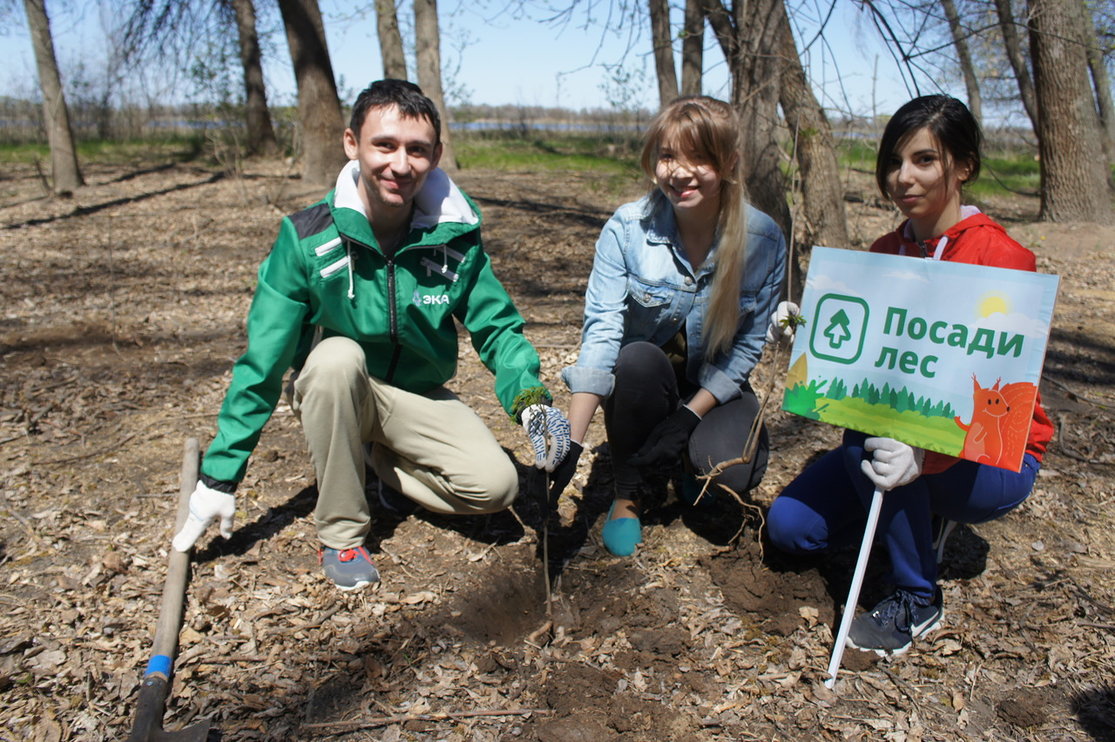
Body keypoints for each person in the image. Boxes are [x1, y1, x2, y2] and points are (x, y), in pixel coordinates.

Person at [171, 79, 571, 590]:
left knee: (497, 488)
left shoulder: (455, 234)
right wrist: (220, 474)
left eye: (417, 150)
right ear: (351, 144)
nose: (400, 165)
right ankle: (342, 535)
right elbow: (263, 361)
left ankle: (380, 463)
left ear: (436, 154)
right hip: (336, 386)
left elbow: (497, 327)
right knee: (337, 357)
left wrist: (532, 401)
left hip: (417, 396)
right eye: (384, 145)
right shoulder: (307, 236)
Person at [766, 95, 1054, 656]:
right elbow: (866, 362)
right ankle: (907, 521)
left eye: (924, 160)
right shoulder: (883, 252)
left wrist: (927, 459)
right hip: (896, 437)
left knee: (865, 440)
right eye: (895, 162)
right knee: (791, 529)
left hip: (996, 456)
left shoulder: (1005, 261)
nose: (904, 177)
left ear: (963, 166)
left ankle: (917, 596)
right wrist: (806, 341)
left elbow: (1003, 400)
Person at [552, 96, 787, 557]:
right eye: (667, 155)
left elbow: (747, 346)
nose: (680, 172)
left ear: (730, 162)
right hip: (645, 381)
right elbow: (602, 334)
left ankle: (685, 459)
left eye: (699, 156)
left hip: (713, 386)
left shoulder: (763, 240)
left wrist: (687, 417)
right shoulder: (627, 230)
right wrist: (571, 444)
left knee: (730, 472)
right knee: (634, 359)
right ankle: (630, 493)